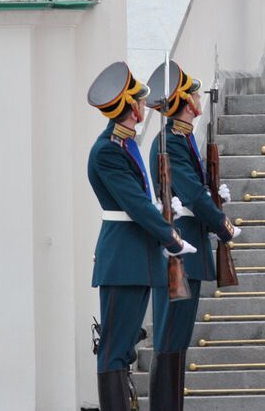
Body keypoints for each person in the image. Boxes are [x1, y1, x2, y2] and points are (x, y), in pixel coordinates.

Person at [86, 61, 197, 411]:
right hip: (123, 257)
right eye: (138, 100)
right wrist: (171, 236)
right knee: (115, 350)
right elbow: (134, 205)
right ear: (127, 107)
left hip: (134, 257)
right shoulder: (107, 151)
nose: (143, 106)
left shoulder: (123, 144)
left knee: (124, 348)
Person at [145, 60, 237, 411]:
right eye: (194, 94)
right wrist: (223, 225)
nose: (199, 98)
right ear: (185, 102)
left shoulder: (181, 139)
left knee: (179, 338)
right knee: (170, 336)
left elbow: (197, 191)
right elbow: (192, 196)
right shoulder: (170, 142)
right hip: (180, 248)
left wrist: (215, 197)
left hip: (190, 247)